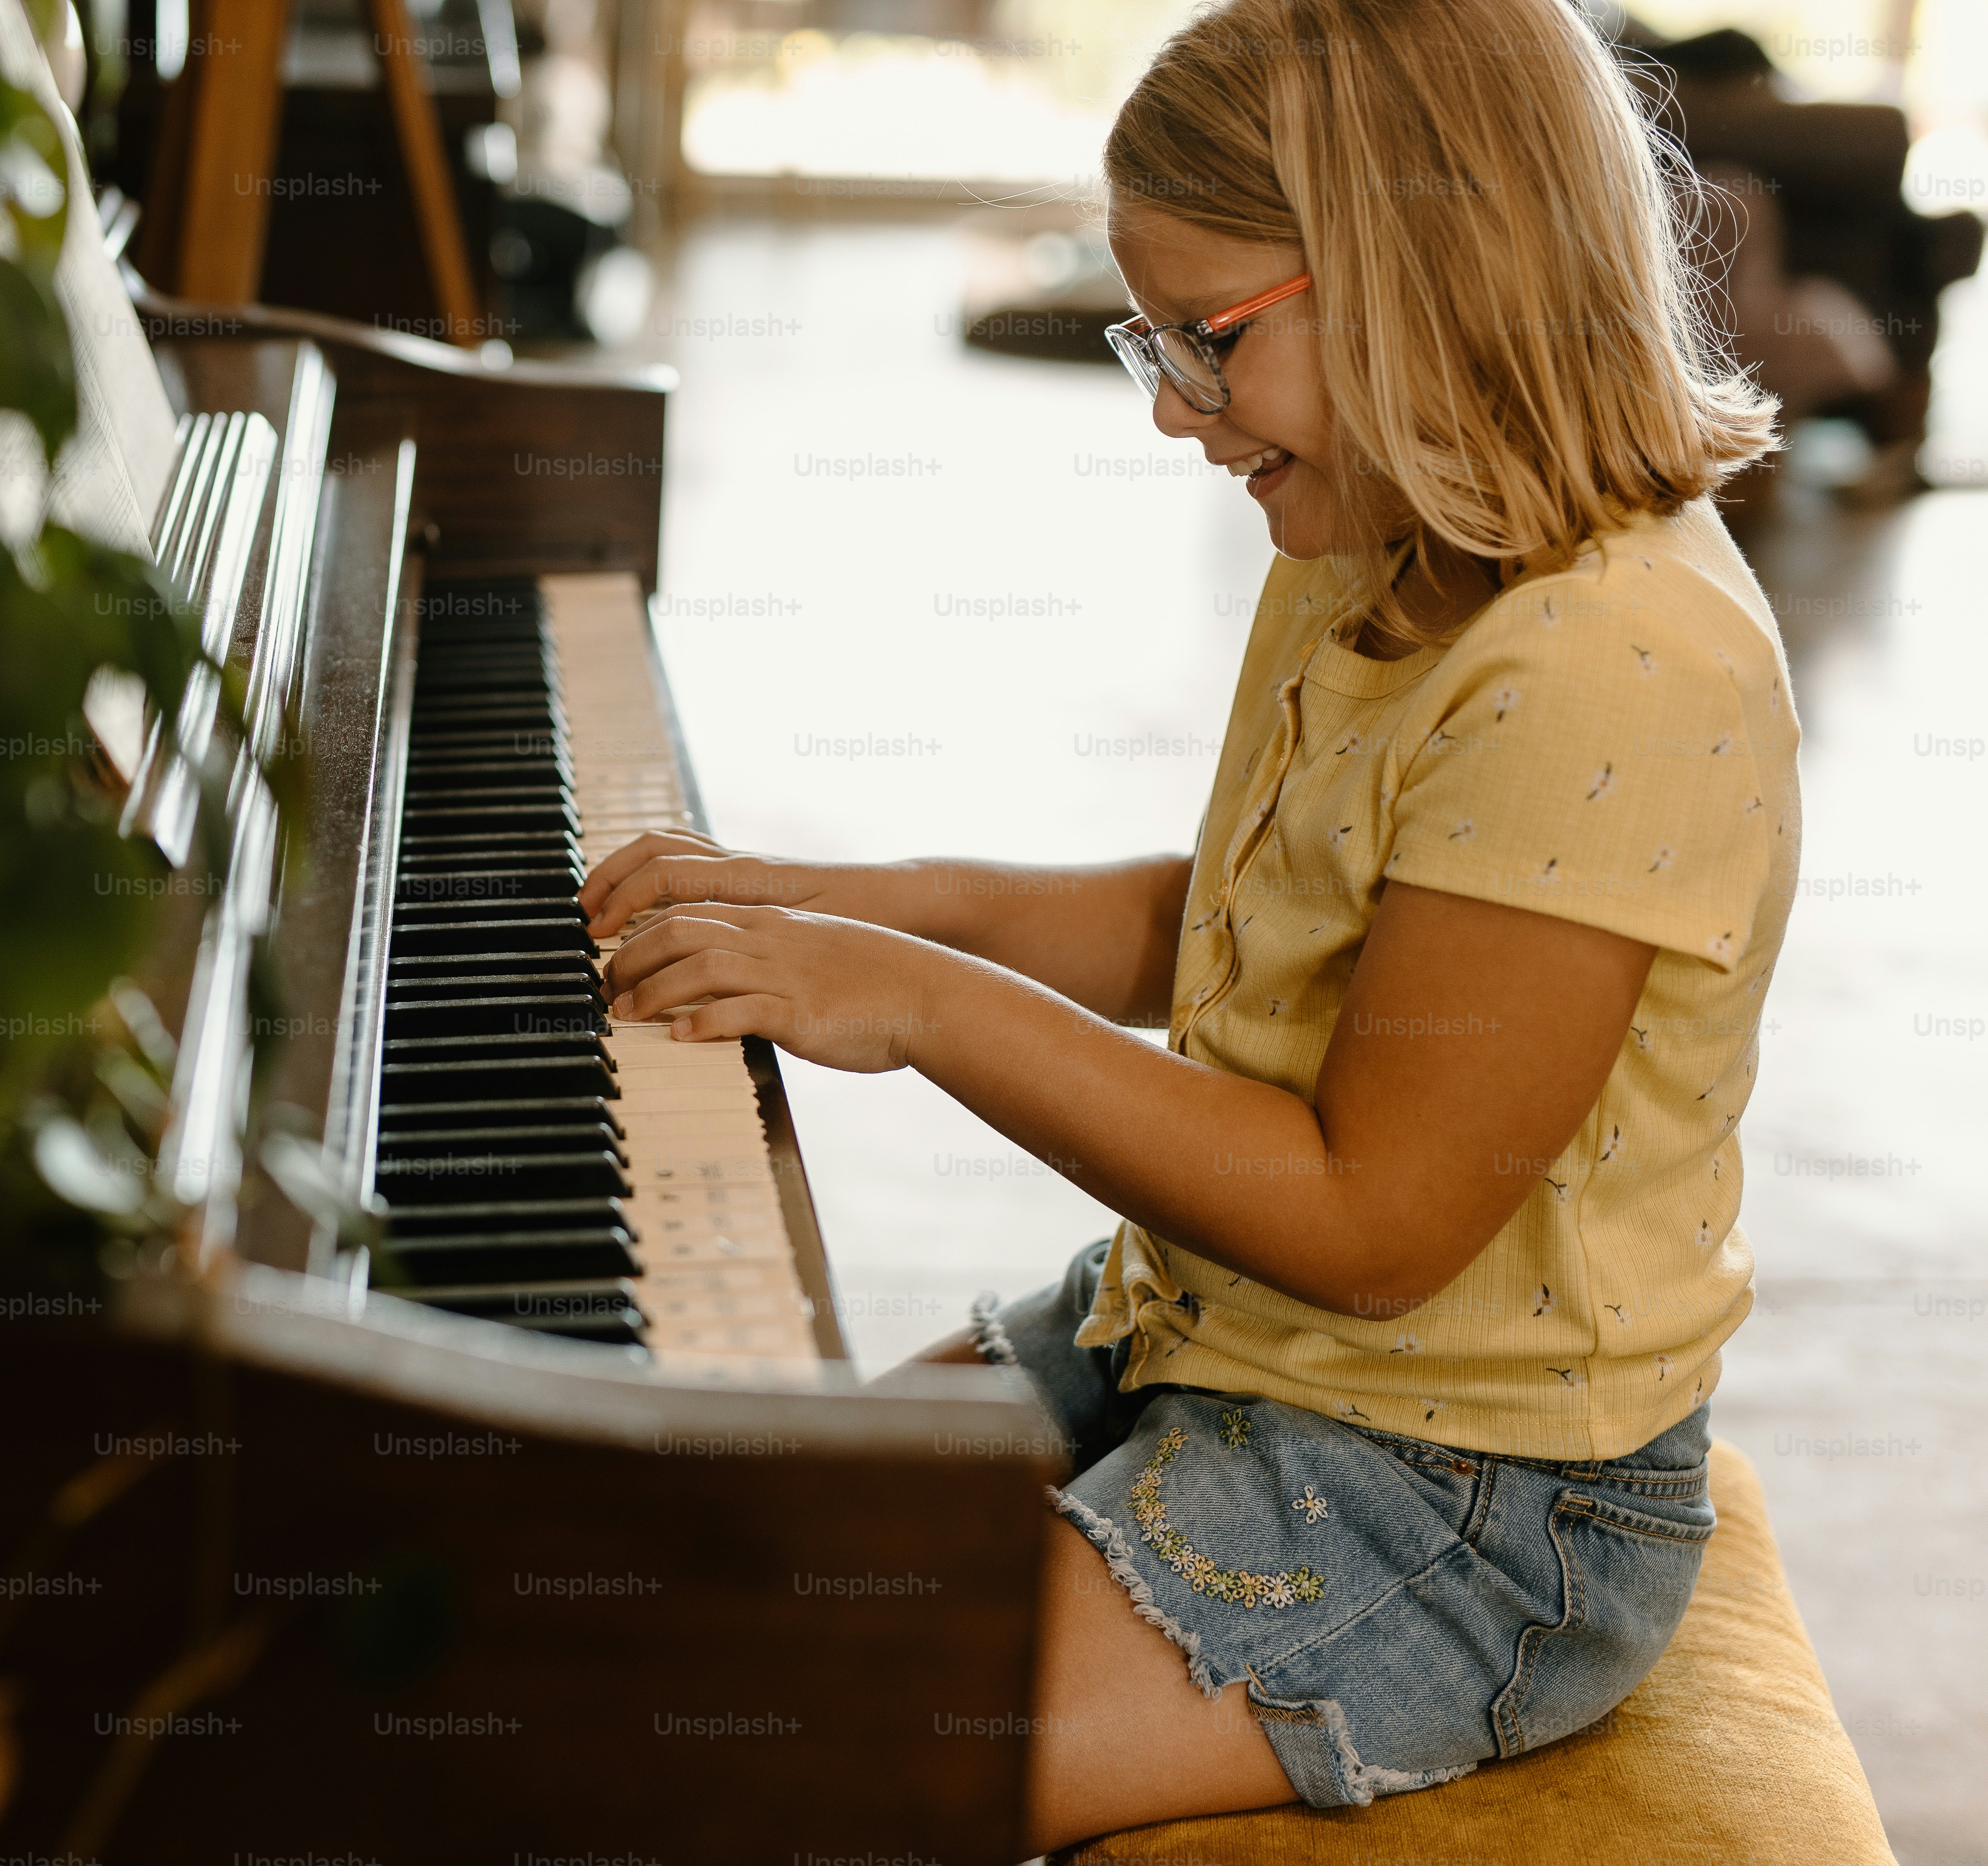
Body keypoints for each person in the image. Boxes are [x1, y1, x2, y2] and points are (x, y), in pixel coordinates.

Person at [579, 0, 1794, 1848]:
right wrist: (843, 903)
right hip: (1196, 1331)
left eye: (1205, 342)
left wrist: (919, 1005)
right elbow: (1219, 920)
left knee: (788, 1745)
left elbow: (1370, 1220)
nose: (1169, 405)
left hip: (1462, 1495)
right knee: (695, 1552)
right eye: (1153, 339)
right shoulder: (1387, 534)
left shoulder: (1609, 669)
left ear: (1426, 274)